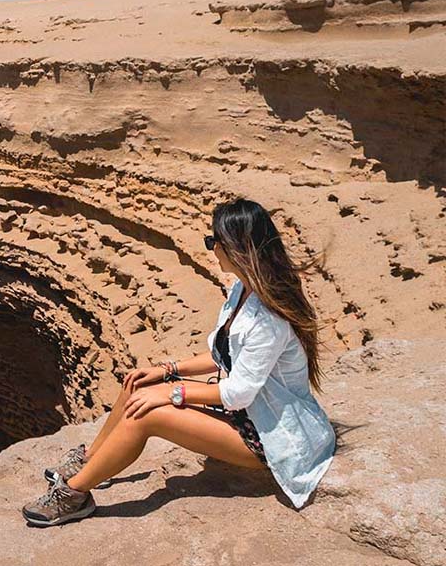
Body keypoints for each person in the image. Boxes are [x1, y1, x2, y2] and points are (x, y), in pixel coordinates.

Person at [21, 197, 336, 527]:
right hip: (249, 413)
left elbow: (238, 392)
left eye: (213, 241)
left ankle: (73, 495)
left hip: (267, 436)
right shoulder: (244, 289)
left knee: (148, 415)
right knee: (139, 386)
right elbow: (223, 355)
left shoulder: (268, 319)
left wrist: (173, 392)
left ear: (236, 248)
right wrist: (166, 372)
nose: (211, 248)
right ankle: (92, 462)